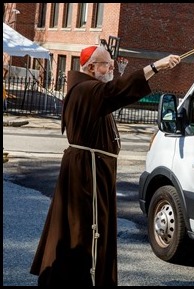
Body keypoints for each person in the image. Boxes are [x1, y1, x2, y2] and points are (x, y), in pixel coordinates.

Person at [30, 45, 181, 286]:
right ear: (91, 67)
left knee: (75, 231)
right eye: (106, 64)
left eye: (110, 64)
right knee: (83, 233)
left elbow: (114, 93)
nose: (111, 68)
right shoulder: (86, 90)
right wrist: (155, 66)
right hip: (87, 175)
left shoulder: (89, 90)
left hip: (93, 170)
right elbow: (116, 91)